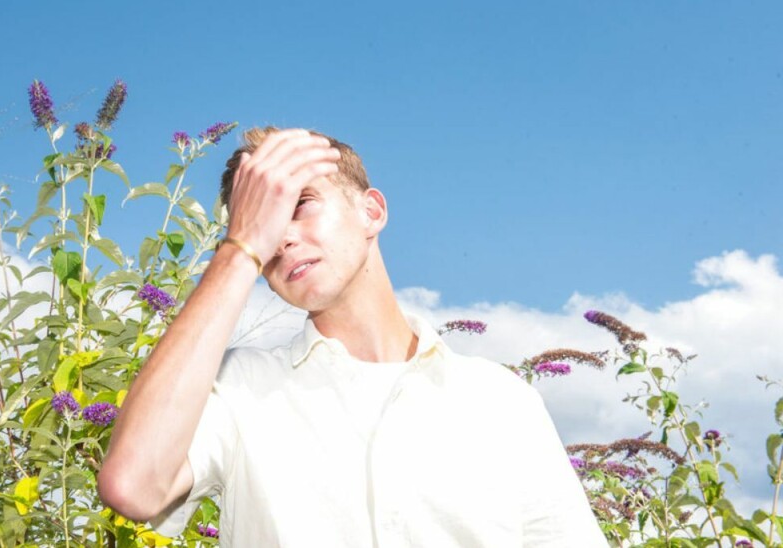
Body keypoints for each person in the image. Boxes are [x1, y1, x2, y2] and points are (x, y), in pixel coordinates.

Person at [98, 127, 607, 547]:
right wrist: (239, 249)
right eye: (264, 223)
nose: (282, 237)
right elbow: (133, 485)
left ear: (372, 212)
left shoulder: (500, 399)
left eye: (299, 204)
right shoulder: (240, 386)